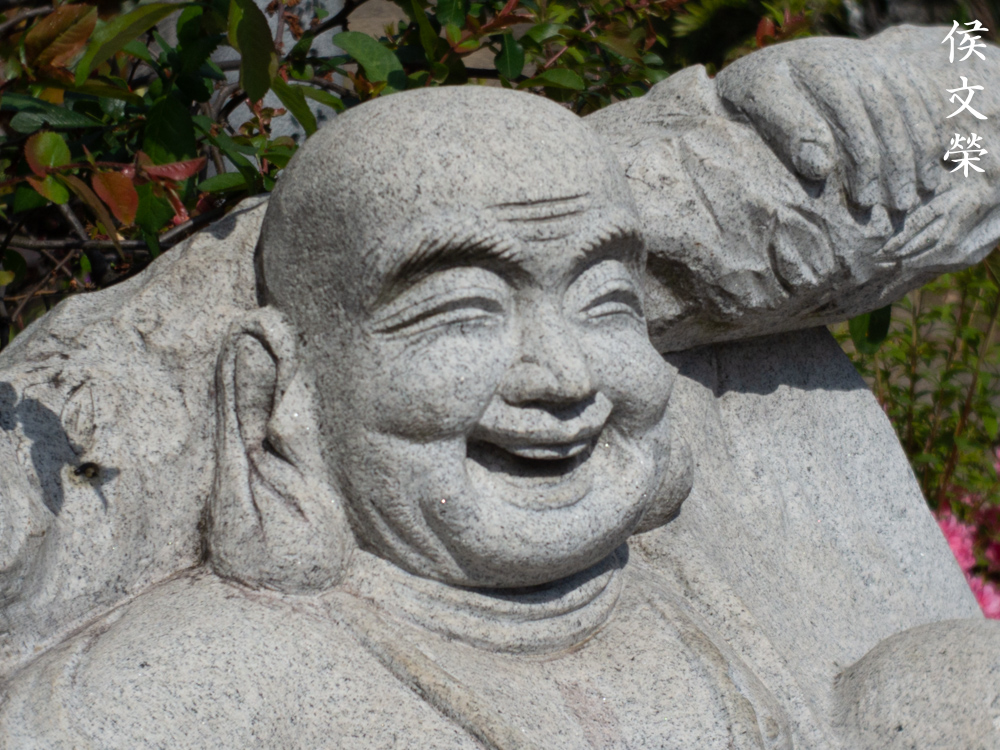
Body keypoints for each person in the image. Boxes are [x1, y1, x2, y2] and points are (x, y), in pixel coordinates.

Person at [2, 27, 999, 749]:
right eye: (460, 315)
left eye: (607, 302)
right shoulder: (179, 695)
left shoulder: (709, 572)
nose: (563, 379)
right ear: (278, 388)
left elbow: (962, 105)